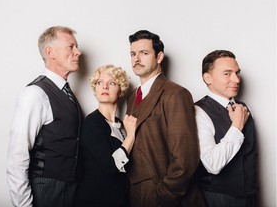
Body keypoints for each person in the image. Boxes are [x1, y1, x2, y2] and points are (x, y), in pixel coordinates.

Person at [126, 30, 206, 207]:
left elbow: (185, 159)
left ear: (159, 56)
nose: (136, 59)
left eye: (144, 53)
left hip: (165, 197)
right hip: (136, 194)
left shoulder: (176, 94)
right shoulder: (131, 97)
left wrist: (163, 196)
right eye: (133, 54)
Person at [6, 26, 83, 207]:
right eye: (71, 47)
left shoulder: (66, 92)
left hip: (71, 190)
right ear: (51, 52)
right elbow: (17, 158)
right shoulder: (34, 94)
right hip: (46, 191)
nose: (78, 52)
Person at [195, 50, 258, 207]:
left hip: (251, 196)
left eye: (237, 73)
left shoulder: (242, 107)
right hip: (219, 199)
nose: (236, 79)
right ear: (207, 78)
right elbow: (212, 164)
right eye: (227, 74)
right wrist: (236, 126)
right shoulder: (198, 112)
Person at [74, 64, 137, 207]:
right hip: (94, 200)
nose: (105, 87)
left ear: (120, 90)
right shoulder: (92, 122)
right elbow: (110, 167)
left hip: (117, 199)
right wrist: (131, 136)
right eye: (100, 83)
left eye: (112, 83)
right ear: (94, 89)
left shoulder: (122, 125)